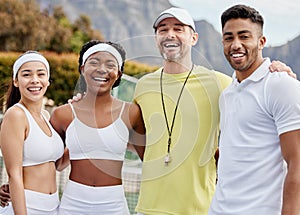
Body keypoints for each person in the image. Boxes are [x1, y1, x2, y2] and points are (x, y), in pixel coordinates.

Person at [133, 7, 296, 215]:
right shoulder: (143, 86)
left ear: (193, 38)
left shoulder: (221, 84)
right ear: (156, 37)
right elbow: (139, 134)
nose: (170, 34)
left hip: (201, 209)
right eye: (163, 29)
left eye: (178, 29)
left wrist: (282, 73)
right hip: (149, 208)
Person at [208, 4, 300, 215]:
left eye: (244, 36)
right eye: (229, 38)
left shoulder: (280, 85)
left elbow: (297, 163)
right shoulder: (227, 95)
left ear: (261, 42)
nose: (235, 44)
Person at [50, 40, 145, 214]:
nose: (102, 69)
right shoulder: (62, 114)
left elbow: (149, 159)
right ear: (82, 69)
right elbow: (51, 164)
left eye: (110, 64)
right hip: (73, 204)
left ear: (119, 73)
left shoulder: (131, 113)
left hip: (114, 205)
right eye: (94, 62)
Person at [0, 51, 65, 214]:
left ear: (48, 81)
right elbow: (14, 175)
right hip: (27, 206)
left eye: (41, 74)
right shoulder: (16, 115)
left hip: (53, 205)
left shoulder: (45, 115)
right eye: (26, 74)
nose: (35, 80)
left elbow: (56, 164)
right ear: (16, 81)